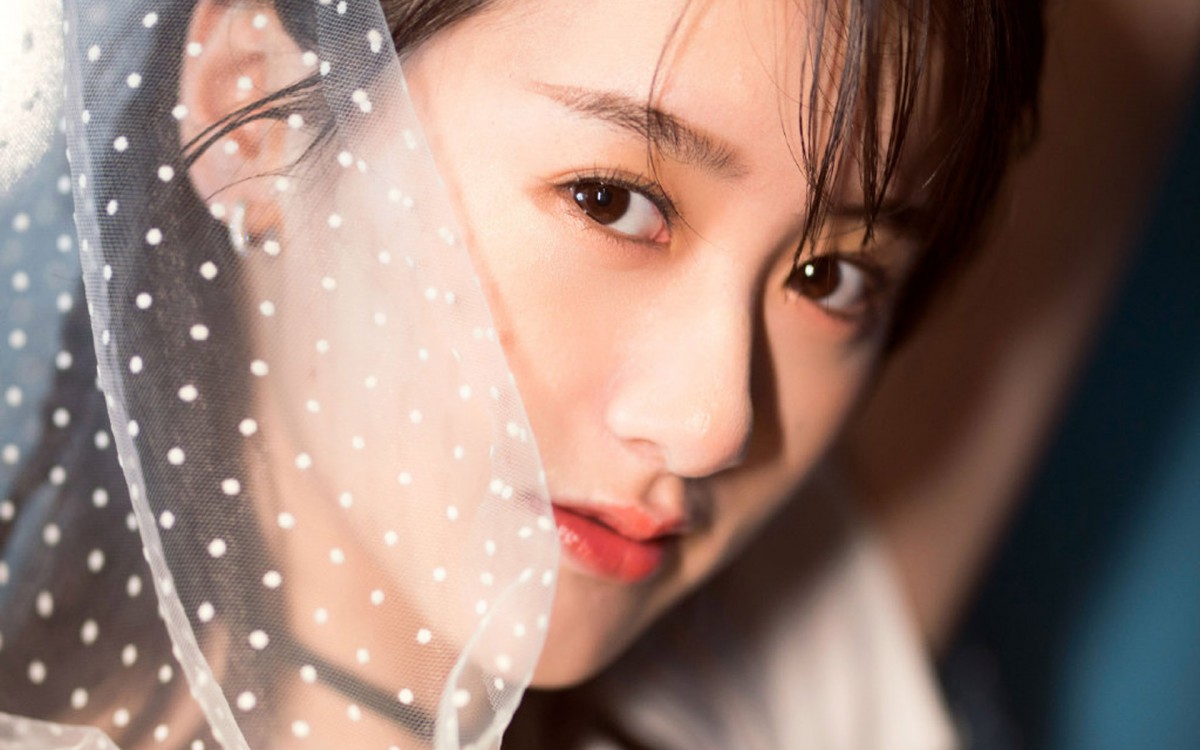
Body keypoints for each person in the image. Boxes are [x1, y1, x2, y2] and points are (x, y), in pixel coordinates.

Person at [0, 0, 1042, 748]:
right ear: (257, 100)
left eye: (831, 277)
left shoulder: (783, 648)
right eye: (610, 201)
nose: (712, 425)